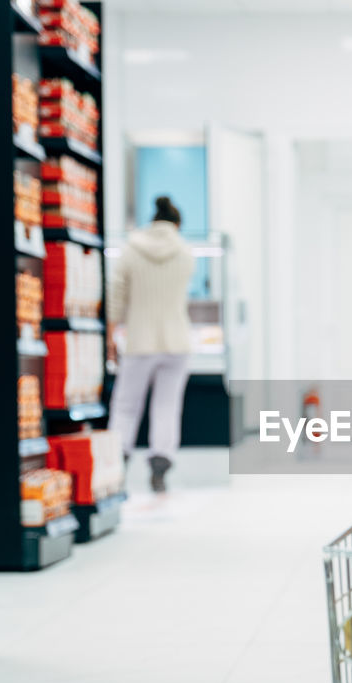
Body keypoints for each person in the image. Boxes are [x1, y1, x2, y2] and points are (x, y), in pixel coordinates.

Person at [107, 195, 195, 493]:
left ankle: (117, 465)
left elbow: (116, 295)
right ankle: (160, 467)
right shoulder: (185, 252)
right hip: (177, 340)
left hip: (140, 339)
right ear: (177, 224)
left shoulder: (131, 250)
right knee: (167, 406)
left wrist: (110, 335)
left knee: (127, 405)